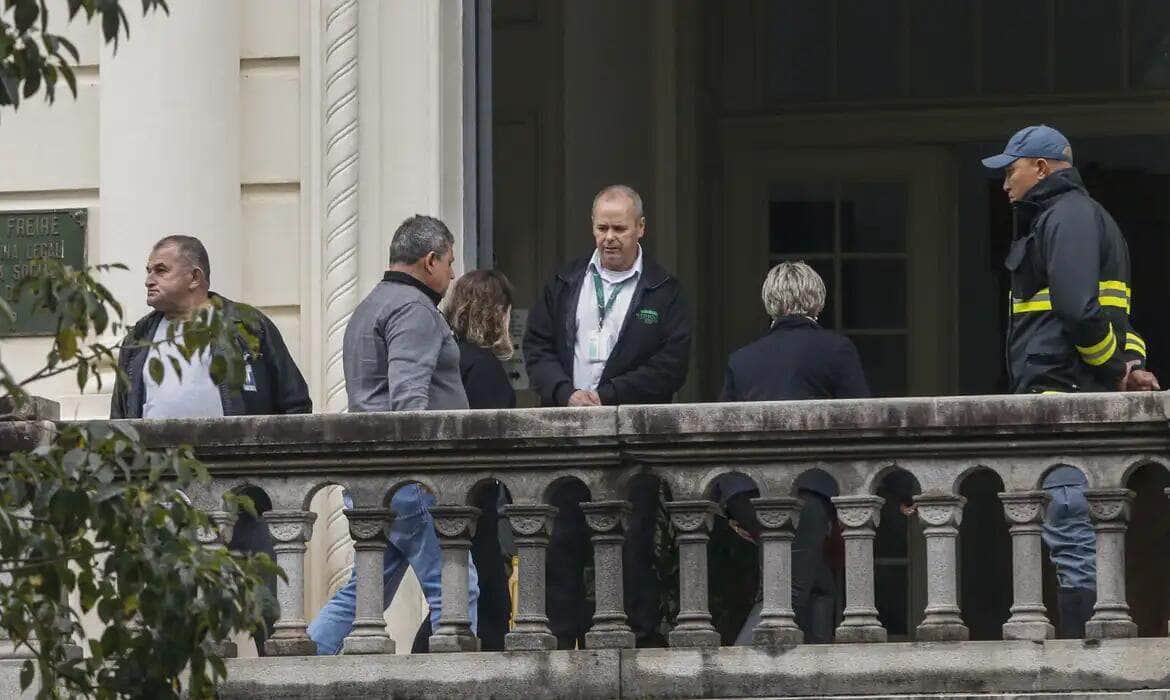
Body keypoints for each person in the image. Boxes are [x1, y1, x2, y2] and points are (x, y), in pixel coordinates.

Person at [981, 124, 1160, 637]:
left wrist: (1115, 370)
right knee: (1076, 535)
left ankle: (1086, 661)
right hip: (1070, 392)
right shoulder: (1074, 218)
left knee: (1073, 536)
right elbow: (1114, 317)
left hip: (1066, 399)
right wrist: (1125, 364)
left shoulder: (1067, 217)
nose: (1004, 183)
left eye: (1010, 170)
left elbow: (1082, 313)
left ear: (1040, 167)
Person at [110, 234, 312, 654]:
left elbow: (295, 404)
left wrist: (275, 480)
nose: (148, 279)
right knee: (167, 613)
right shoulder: (138, 340)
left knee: (268, 611)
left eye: (160, 270)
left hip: (246, 497)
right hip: (164, 497)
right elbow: (122, 419)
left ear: (194, 276)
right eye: (148, 270)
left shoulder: (247, 326)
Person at [524, 184, 691, 648]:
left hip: (632, 440)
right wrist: (564, 392)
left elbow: (671, 365)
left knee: (633, 543)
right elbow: (536, 346)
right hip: (568, 433)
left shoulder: (664, 290)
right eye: (602, 228)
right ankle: (561, 642)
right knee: (562, 543)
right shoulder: (564, 282)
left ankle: (633, 637)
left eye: (620, 228)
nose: (609, 238)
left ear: (641, 228)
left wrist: (610, 394)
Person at [307, 214, 479, 655]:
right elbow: (409, 405)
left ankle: (302, 666)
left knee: (361, 596)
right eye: (450, 262)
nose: (453, 273)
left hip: (376, 479)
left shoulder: (372, 305)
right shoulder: (414, 309)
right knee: (458, 592)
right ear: (430, 261)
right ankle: (457, 686)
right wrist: (425, 476)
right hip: (414, 479)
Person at [711, 261, 867, 645]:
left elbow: (718, 435)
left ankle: (811, 683)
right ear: (817, 302)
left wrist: (730, 500)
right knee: (781, 602)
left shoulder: (742, 359)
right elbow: (867, 426)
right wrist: (897, 491)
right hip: (804, 494)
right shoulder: (836, 350)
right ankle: (731, 683)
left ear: (770, 304)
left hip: (749, 494)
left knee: (819, 588)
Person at [443, 269, 519, 650]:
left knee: (458, 600)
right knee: (486, 600)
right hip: (478, 504)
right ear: (495, 313)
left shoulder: (452, 357)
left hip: (455, 500)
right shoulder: (483, 366)